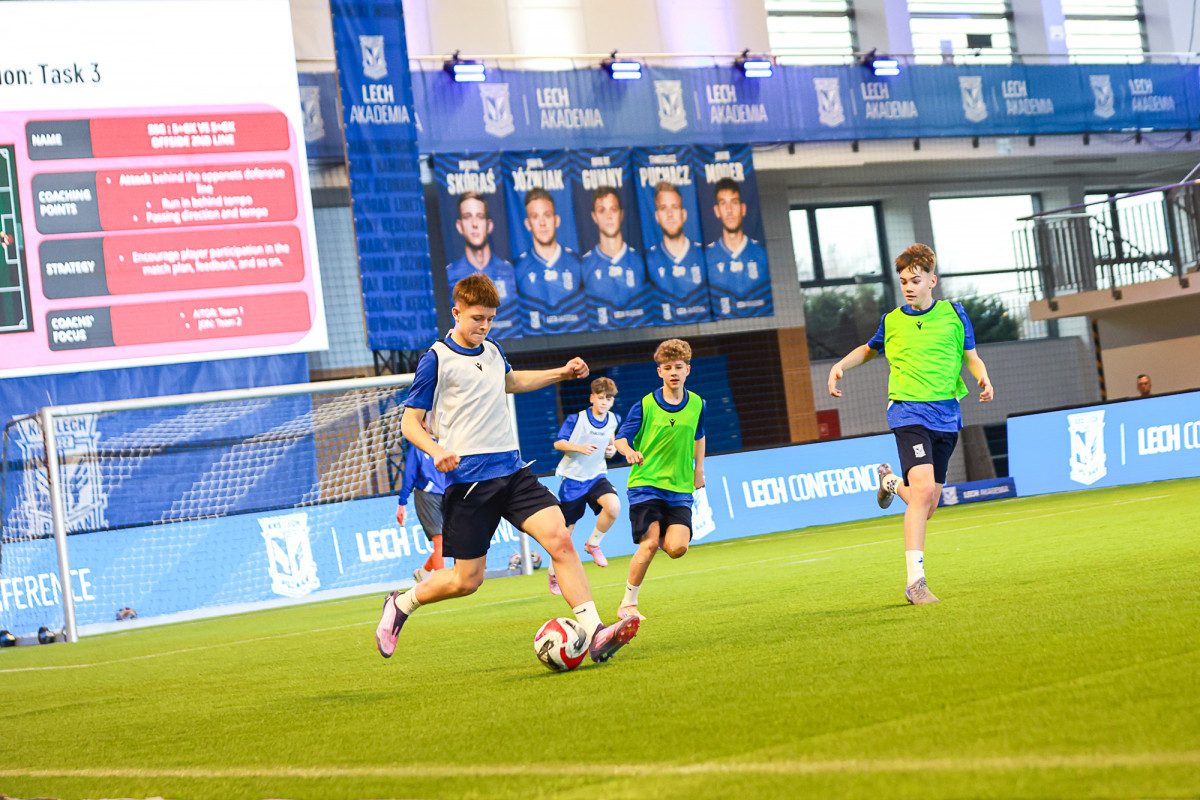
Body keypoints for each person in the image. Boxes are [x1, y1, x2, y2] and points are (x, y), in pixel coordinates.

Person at [375, 272, 639, 663]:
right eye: (476, 318)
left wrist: (561, 372)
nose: (483, 326)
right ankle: (401, 603)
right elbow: (409, 423)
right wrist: (436, 451)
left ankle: (595, 631)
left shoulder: (493, 350)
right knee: (467, 581)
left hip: (513, 472)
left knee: (560, 540)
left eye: (489, 319)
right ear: (456, 313)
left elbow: (511, 381)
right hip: (469, 482)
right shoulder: (436, 359)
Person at [827, 243, 994, 605]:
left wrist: (982, 377)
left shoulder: (955, 314)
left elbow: (972, 357)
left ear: (932, 280)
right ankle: (915, 583)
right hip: (908, 412)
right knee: (922, 491)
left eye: (916, 280)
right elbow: (868, 350)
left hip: (946, 416)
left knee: (927, 504)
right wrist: (840, 365)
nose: (908, 287)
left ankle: (890, 482)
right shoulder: (891, 321)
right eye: (904, 281)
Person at [612, 339, 706, 622]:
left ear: (688, 369)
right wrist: (629, 452)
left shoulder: (698, 404)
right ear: (659, 372)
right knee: (650, 545)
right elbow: (620, 438)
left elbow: (699, 437)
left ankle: (657, 531)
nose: (673, 372)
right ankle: (628, 604)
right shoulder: (646, 405)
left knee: (677, 549)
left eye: (678, 367)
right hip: (646, 484)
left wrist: (699, 471)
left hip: (680, 488)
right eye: (667, 368)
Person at [547, 376, 621, 595]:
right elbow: (558, 443)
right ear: (592, 398)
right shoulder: (576, 419)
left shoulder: (614, 419)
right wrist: (579, 448)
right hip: (573, 479)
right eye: (601, 398)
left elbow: (610, 443)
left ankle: (593, 544)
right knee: (565, 534)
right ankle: (553, 573)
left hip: (597, 476)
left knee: (613, 507)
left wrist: (611, 450)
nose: (604, 402)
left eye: (609, 399)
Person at [445, 191, 522, 339]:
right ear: (459, 226)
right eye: (467, 217)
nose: (474, 224)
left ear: (489, 225)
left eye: (480, 217)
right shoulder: (449, 274)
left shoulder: (511, 271)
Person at [514, 187, 586, 335]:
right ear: (527, 224)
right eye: (535, 217)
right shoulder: (518, 268)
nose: (542, 223)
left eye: (547, 215)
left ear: (556, 220)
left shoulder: (577, 263)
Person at [581, 186, 652, 329]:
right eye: (602, 210)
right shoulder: (584, 265)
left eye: (613, 209)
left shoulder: (641, 261)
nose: (608, 216)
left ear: (621, 214)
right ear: (594, 216)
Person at [704, 177, 772, 320]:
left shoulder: (761, 254)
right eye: (723, 204)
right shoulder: (707, 257)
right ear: (717, 211)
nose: (729, 210)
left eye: (734, 203)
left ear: (743, 209)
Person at [644, 182, 711, 325]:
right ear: (657, 216)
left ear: (683, 214)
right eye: (663, 208)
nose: (669, 214)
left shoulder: (703, 254)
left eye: (674, 207)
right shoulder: (648, 260)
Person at [395, 418, 449, 583]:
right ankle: (441, 582)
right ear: (424, 423)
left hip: (447, 495)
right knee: (439, 541)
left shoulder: (445, 443)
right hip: (427, 497)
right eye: (430, 418)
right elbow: (409, 475)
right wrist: (402, 503)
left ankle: (423, 572)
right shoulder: (418, 447)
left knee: (449, 542)